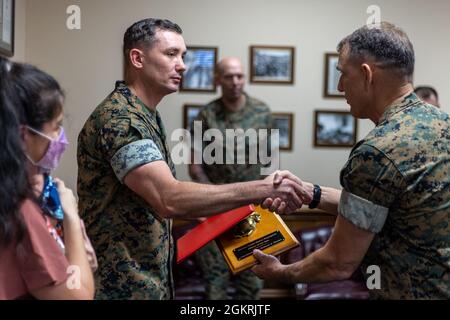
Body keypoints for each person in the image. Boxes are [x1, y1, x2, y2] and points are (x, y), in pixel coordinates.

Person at [77, 18, 309, 300]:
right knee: (216, 282)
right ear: (137, 58)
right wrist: (264, 189)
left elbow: (154, 201)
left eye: (183, 56)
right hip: (122, 283)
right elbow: (168, 197)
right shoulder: (122, 119)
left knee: (251, 283)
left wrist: (219, 210)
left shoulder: (147, 116)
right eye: (171, 54)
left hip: (148, 276)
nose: (183, 65)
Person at [252, 22, 450, 299]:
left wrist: (279, 272)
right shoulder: (443, 124)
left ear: (367, 74)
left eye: (344, 74)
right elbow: (383, 206)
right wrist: (311, 193)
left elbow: (337, 263)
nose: (340, 86)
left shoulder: (378, 151)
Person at [0, 58, 95, 300]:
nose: (60, 137)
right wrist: (72, 216)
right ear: (23, 136)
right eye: (56, 126)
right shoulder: (17, 208)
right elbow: (78, 296)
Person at [188, 57, 273, 299]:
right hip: (216, 209)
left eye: (239, 76)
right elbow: (194, 167)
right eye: (228, 76)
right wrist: (210, 199)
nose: (235, 82)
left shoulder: (262, 112)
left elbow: (270, 160)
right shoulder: (206, 114)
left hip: (252, 209)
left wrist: (268, 198)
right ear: (218, 79)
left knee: (252, 279)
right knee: (215, 282)